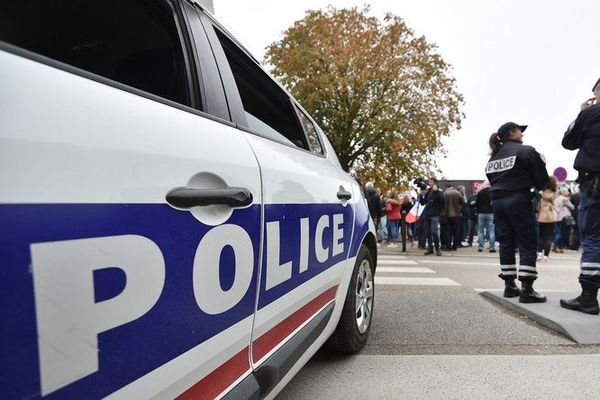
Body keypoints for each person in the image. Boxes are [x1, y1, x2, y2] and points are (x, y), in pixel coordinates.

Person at [486, 122, 550, 303]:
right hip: (518, 198)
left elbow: (491, 179)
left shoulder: (494, 157)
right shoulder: (525, 151)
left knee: (506, 242)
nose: (522, 134)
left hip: (498, 202)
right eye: (519, 131)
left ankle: (509, 286)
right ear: (511, 133)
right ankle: (527, 289)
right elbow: (542, 179)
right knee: (527, 241)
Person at [560, 78, 600, 315]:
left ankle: (588, 297)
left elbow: (568, 141)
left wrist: (581, 113)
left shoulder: (592, 113)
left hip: (595, 182)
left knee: (594, 237)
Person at [420, 178, 444, 256]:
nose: (429, 183)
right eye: (429, 182)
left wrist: (436, 191)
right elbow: (423, 203)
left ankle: (437, 248)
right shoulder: (428, 192)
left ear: (435, 183)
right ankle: (430, 248)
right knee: (428, 232)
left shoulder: (439, 191)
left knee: (434, 231)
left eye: (430, 182)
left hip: (435, 214)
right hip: (427, 214)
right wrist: (421, 195)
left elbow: (442, 200)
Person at [537, 176, 558, 262]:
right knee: (548, 237)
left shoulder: (540, 192)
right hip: (550, 218)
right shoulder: (554, 192)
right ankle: (546, 256)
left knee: (540, 236)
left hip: (540, 217)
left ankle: (539, 254)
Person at [552, 187, 575, 253]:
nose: (568, 192)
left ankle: (558, 247)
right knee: (561, 233)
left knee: (558, 232)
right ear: (563, 192)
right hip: (563, 217)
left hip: (556, 217)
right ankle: (555, 245)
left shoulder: (557, 198)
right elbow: (572, 207)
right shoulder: (565, 199)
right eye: (567, 191)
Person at [475, 181, 496, 252]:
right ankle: (492, 247)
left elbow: (477, 203)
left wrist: (478, 211)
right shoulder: (493, 192)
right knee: (491, 230)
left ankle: (480, 247)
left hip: (481, 213)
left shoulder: (480, 192)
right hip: (490, 213)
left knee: (480, 230)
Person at [443, 184, 464, 251]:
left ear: (447, 187)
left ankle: (448, 246)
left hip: (447, 215)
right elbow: (462, 203)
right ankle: (455, 246)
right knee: (456, 231)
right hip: (457, 215)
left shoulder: (445, 193)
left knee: (448, 231)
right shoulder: (458, 193)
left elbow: (443, 205)